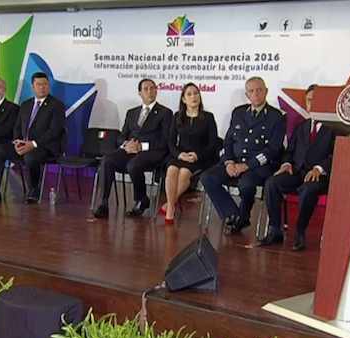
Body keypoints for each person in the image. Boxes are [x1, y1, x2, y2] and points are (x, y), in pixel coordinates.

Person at [200, 77, 285, 234]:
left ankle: (242, 216)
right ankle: (233, 215)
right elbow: (228, 142)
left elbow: (273, 150)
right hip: (234, 163)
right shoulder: (238, 113)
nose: (256, 94)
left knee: (246, 184)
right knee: (207, 177)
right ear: (247, 95)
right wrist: (229, 162)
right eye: (252, 91)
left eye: (259, 90)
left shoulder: (276, 117)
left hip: (258, 167)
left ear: (266, 91)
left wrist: (246, 165)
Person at [259, 84, 335, 251]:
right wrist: (286, 163)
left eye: (316, 100)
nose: (312, 104)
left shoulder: (335, 127)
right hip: (297, 171)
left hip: (319, 177)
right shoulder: (302, 126)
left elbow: (335, 155)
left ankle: (300, 232)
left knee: (308, 189)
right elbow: (289, 151)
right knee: (272, 183)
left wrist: (319, 168)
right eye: (309, 101)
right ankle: (275, 229)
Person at [0, 72, 66, 204]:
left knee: (31, 156)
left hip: (44, 147)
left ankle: (34, 190)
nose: (42, 87)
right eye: (39, 84)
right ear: (33, 87)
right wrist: (17, 142)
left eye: (45, 84)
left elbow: (55, 131)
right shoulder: (26, 104)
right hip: (23, 145)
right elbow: (17, 127)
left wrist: (33, 144)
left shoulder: (57, 105)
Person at [93, 79, 173, 218]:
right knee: (107, 160)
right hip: (130, 150)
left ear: (156, 91)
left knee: (133, 165)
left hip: (152, 152)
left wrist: (142, 146)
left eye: (152, 88)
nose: (150, 91)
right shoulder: (132, 112)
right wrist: (126, 144)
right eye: (146, 89)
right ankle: (104, 203)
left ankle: (141, 200)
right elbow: (121, 136)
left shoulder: (165, 113)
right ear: (139, 93)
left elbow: (165, 140)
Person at [162, 83, 218, 224]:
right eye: (189, 94)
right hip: (179, 155)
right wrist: (179, 155)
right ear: (183, 99)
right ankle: (171, 206)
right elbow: (171, 142)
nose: (194, 97)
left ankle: (169, 206)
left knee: (184, 173)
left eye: (196, 93)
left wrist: (197, 155)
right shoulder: (177, 116)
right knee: (172, 170)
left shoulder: (208, 117)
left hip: (199, 157)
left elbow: (213, 144)